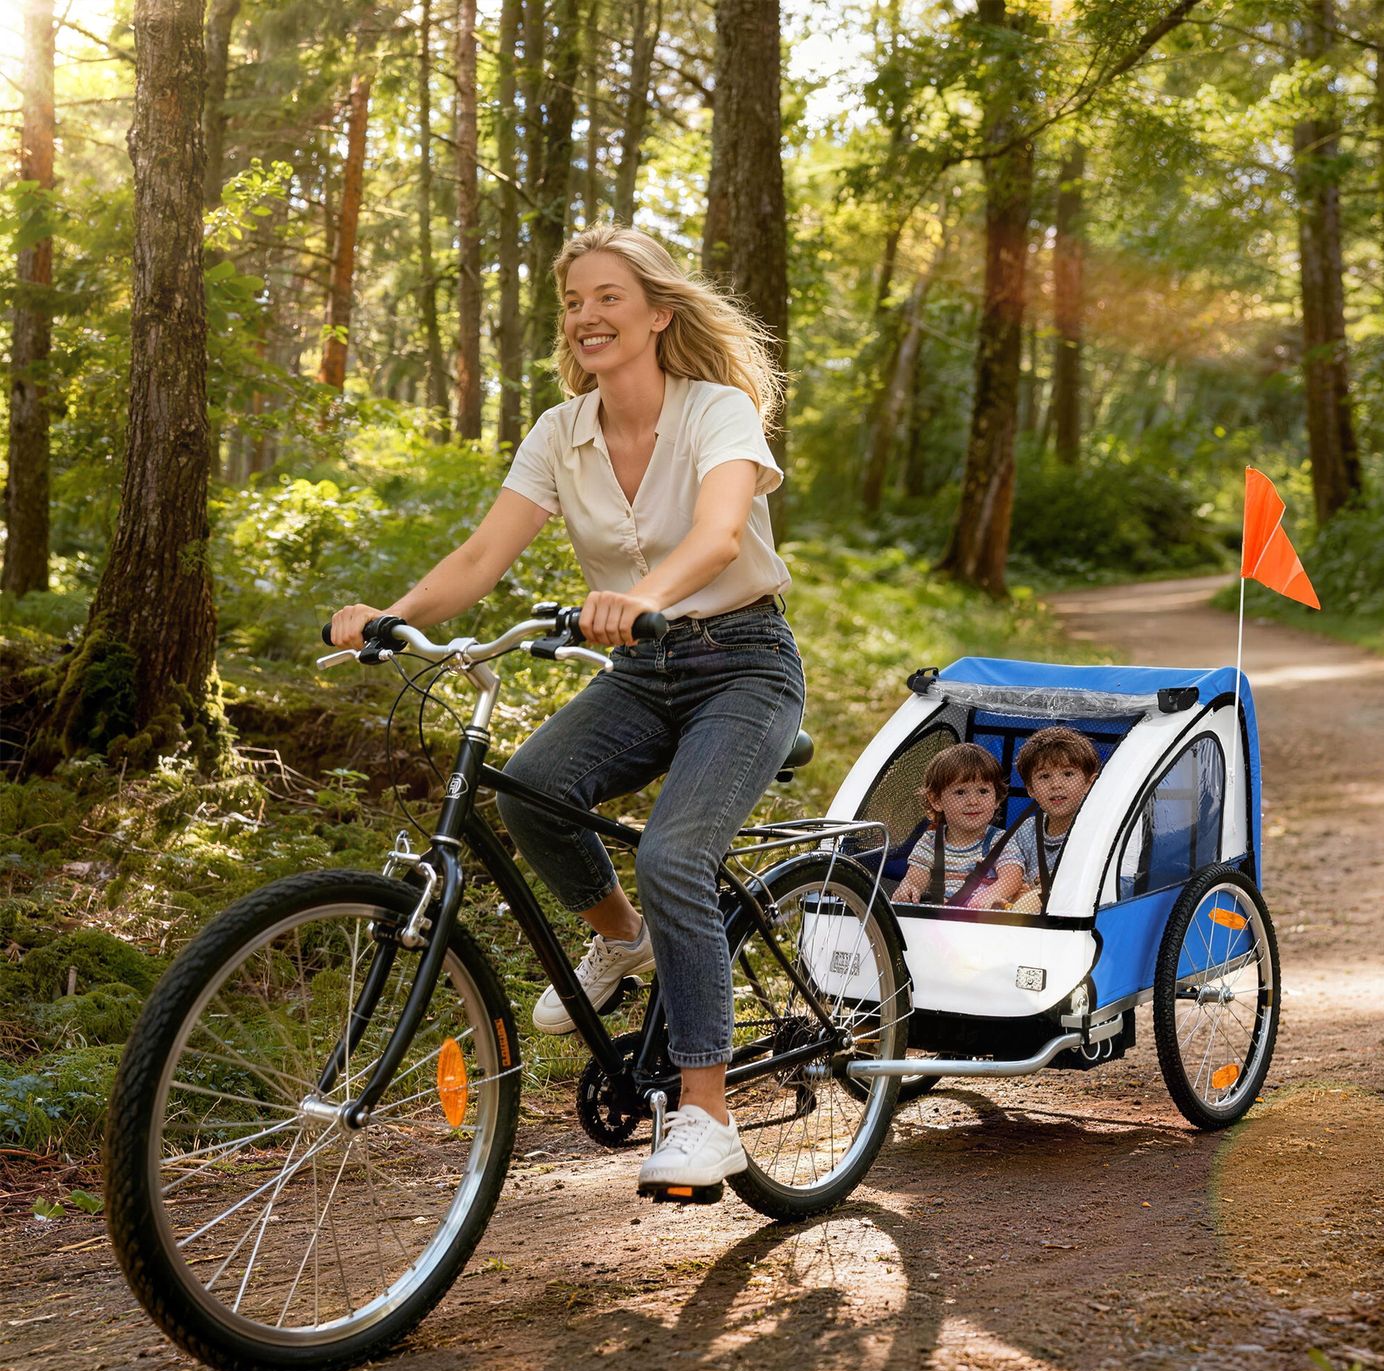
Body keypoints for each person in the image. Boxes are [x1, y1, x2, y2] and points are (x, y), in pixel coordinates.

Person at [328, 223, 804, 1200]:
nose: (586, 316)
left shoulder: (716, 411)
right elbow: (481, 556)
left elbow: (720, 535)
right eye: (574, 302)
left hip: (743, 664)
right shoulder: (560, 431)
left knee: (675, 855)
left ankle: (707, 1115)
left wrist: (642, 595)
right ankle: (624, 938)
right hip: (640, 671)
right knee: (533, 790)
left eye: (607, 297)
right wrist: (391, 616)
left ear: (658, 314)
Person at [992, 726, 1101, 911]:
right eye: (1044, 776)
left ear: (1089, 783)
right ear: (1031, 789)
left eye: (1068, 774)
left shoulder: (1096, 831)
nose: (1056, 785)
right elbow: (1013, 878)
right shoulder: (1025, 831)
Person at [891, 743, 1009, 907]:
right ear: (936, 801)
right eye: (960, 792)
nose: (973, 801)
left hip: (984, 917)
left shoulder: (1001, 841)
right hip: (941, 917)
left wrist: (990, 896)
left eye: (983, 791)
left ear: (996, 799)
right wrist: (908, 889)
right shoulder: (930, 842)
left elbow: (1011, 879)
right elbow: (914, 880)